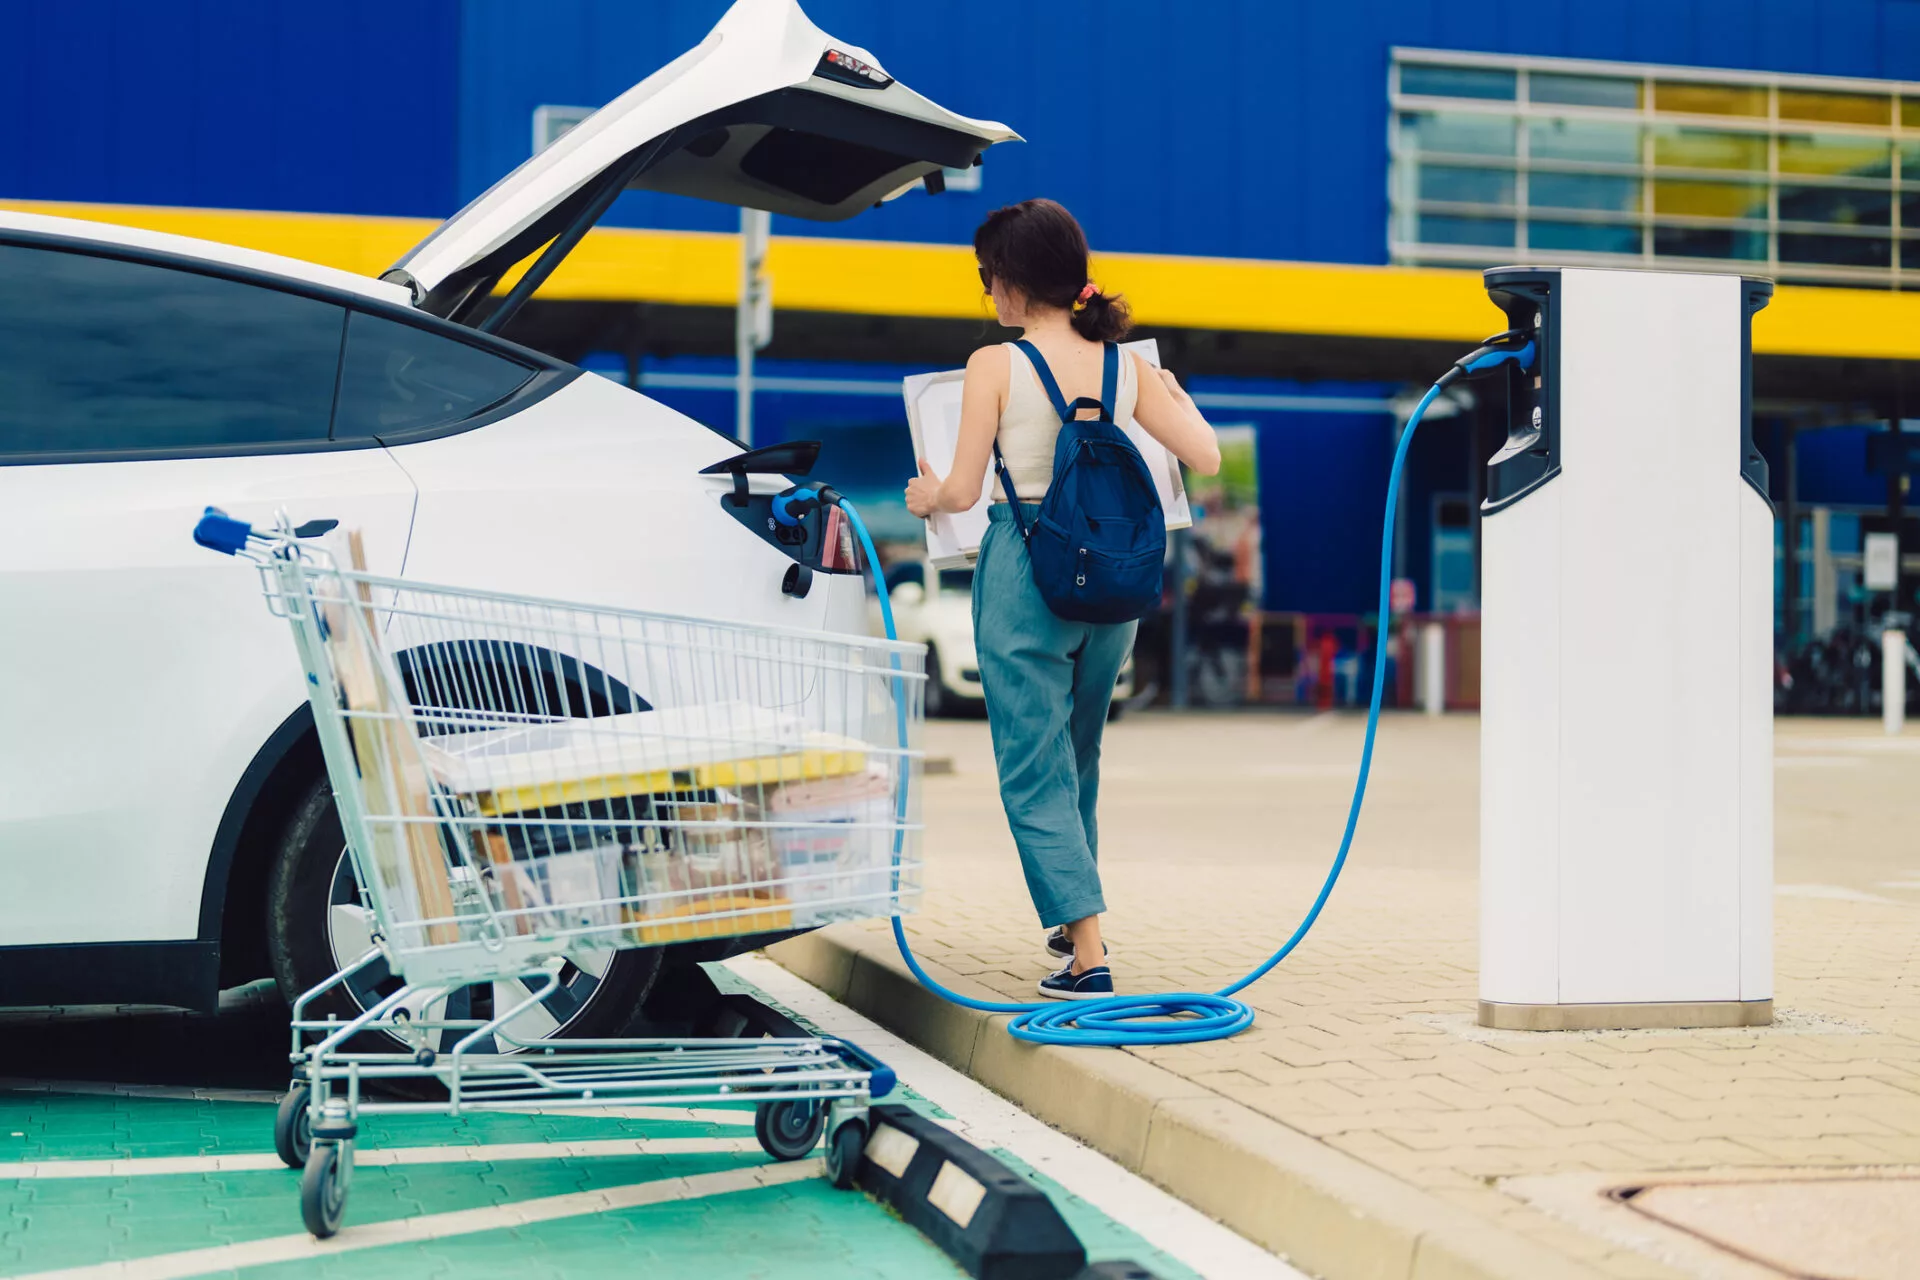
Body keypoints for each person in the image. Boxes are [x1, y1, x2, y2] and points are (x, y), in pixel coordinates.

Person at [904, 199, 1221, 999]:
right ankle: (1071, 916)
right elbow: (1207, 458)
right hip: (1113, 575)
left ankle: (1088, 952)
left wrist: (925, 494)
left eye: (987, 279)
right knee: (1080, 752)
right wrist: (1174, 396)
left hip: (1026, 566)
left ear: (1010, 282)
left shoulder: (994, 366)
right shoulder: (1126, 365)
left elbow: (965, 490)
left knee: (1030, 764)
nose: (988, 295)